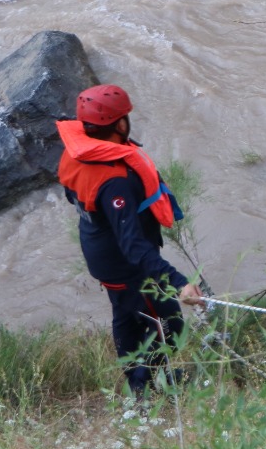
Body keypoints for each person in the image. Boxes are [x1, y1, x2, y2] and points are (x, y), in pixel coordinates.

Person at [56, 85, 203, 393]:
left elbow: (75, 198)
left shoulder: (77, 154)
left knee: (126, 316)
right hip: (124, 266)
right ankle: (150, 388)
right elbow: (133, 246)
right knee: (168, 325)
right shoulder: (115, 183)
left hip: (100, 252)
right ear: (120, 125)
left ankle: (140, 385)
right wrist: (179, 282)